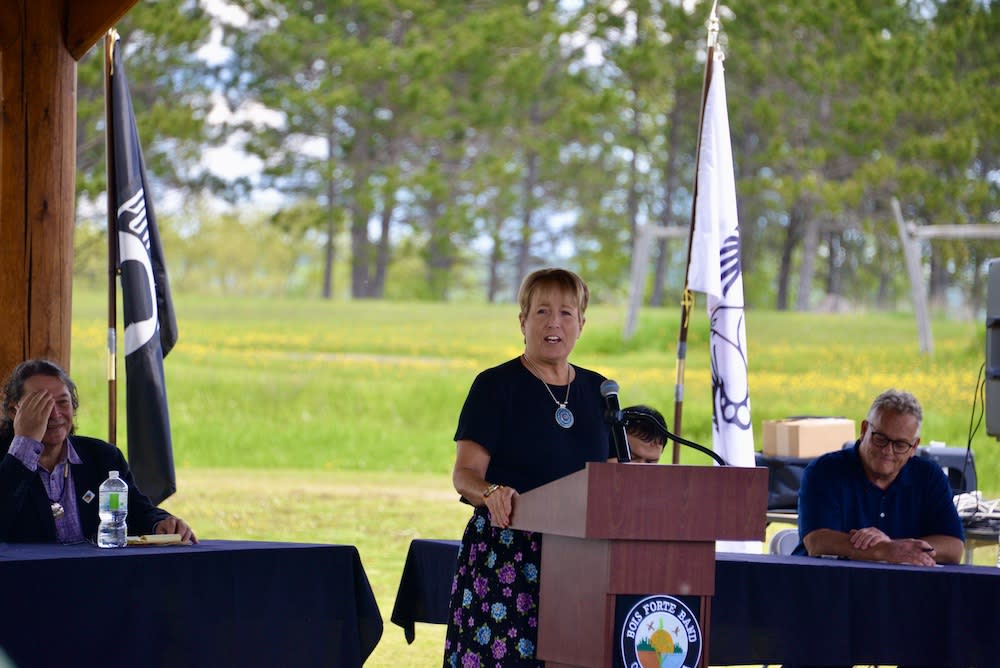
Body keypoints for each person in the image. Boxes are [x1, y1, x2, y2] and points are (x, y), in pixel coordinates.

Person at [443, 268, 615, 667]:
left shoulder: (599, 391)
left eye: (566, 313)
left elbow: (613, 481)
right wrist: (491, 492)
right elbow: (465, 474)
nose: (554, 322)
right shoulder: (495, 386)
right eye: (541, 311)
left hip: (581, 560)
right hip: (507, 560)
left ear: (582, 324)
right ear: (523, 321)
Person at [0, 359, 197, 544]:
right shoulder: (7, 463)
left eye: (62, 402)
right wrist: (25, 444)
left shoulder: (102, 457)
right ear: (13, 411)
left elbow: (137, 511)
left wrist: (161, 522)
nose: (55, 414)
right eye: (41, 404)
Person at [793, 389, 963, 565]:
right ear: (864, 429)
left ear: (914, 446)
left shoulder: (929, 477)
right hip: (827, 585)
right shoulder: (824, 471)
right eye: (880, 438)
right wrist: (886, 551)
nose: (887, 451)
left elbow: (954, 547)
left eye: (900, 444)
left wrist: (892, 547)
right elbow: (817, 542)